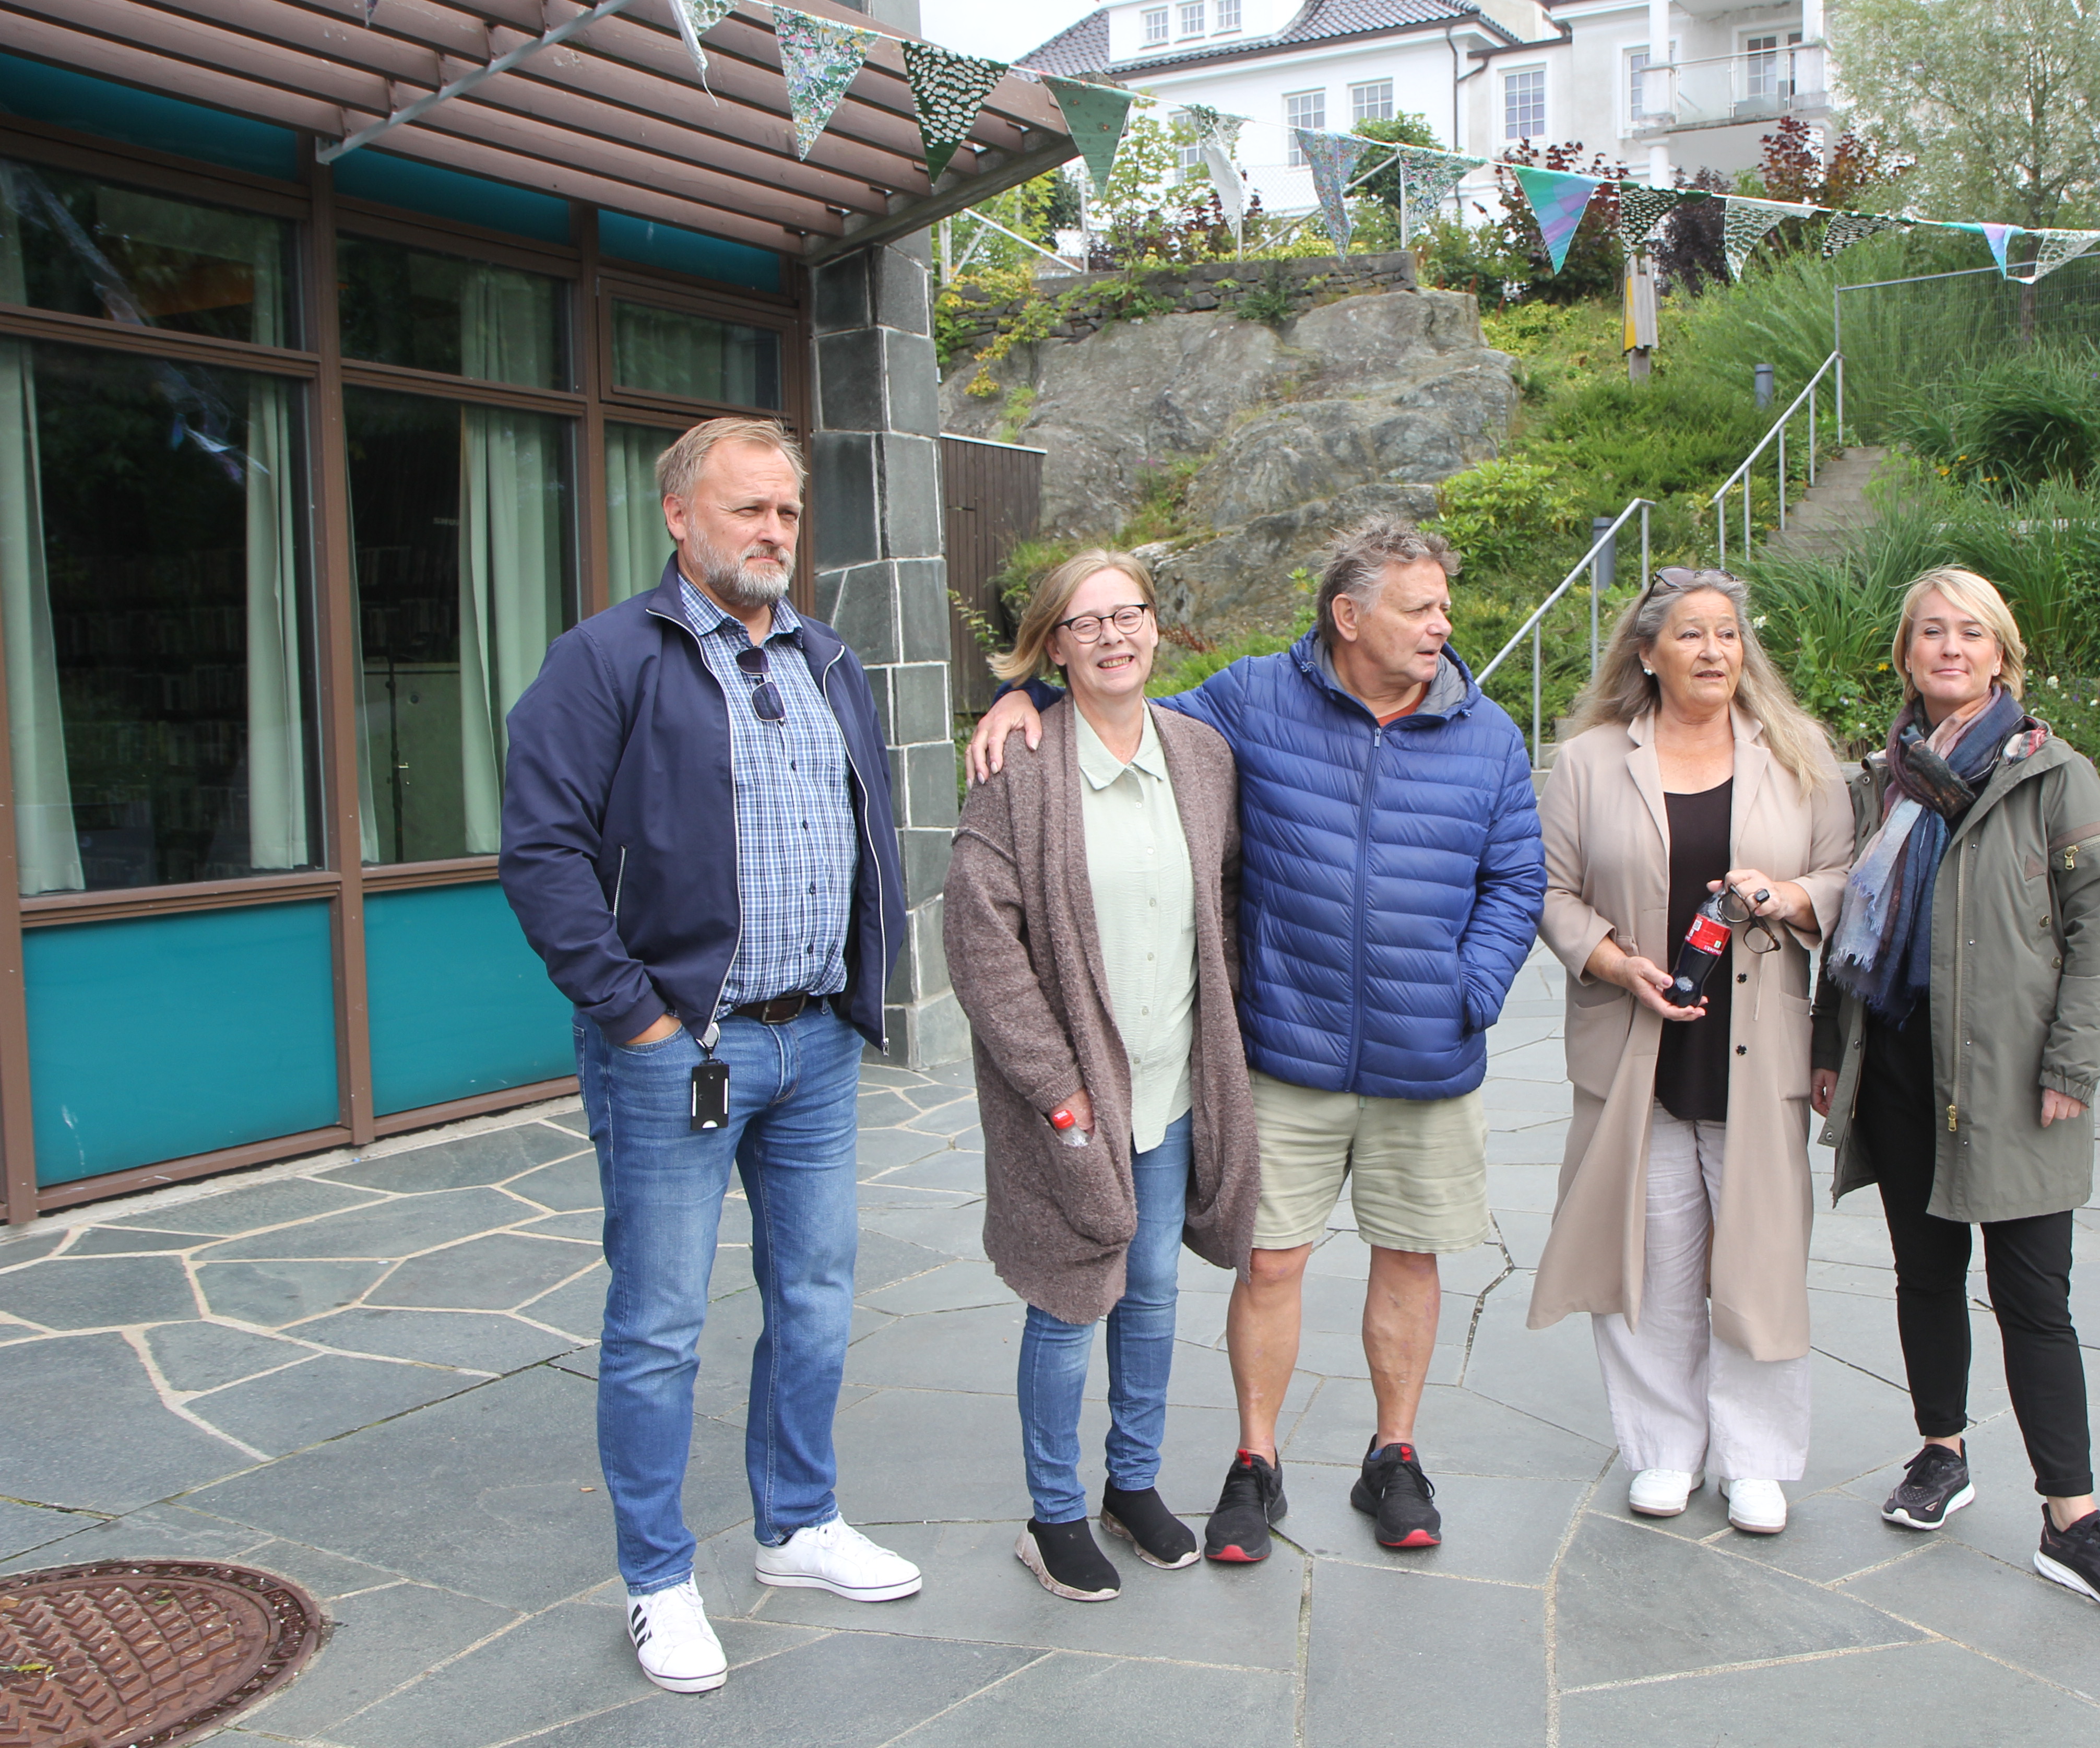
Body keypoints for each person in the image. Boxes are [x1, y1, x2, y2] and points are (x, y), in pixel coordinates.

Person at [967, 520, 1543, 1561]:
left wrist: (1473, 989)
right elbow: (1121, 708)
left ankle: (1396, 1458)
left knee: (1410, 1258)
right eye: (1420, 607)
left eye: (1442, 606)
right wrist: (1029, 697)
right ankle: (1254, 1464)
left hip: (1430, 1057)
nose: (1442, 625)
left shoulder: (1490, 734)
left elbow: (1517, 880)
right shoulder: (1247, 701)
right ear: (1349, 615)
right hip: (1289, 1048)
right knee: (1269, 1263)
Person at [500, 416, 919, 1694]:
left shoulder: (829, 657)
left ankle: (795, 1526)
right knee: (660, 1327)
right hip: (680, 1052)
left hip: (814, 1049)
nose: (775, 534)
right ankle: (659, 1581)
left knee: (815, 1301)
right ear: (679, 516)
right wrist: (638, 1018)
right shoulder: (606, 659)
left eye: (787, 513)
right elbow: (541, 852)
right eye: (749, 511)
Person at [1807, 565, 2100, 1616]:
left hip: (2013, 1082)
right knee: (1925, 1275)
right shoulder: (1878, 782)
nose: (1950, 648)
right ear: (1906, 657)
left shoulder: (2055, 775)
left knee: (2034, 1301)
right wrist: (1833, 1045)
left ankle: (2074, 1520)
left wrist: (2072, 1066)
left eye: (1971, 633)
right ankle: (1941, 1453)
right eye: (1930, 633)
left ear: (2002, 654)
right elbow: (1847, 934)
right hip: (1903, 1068)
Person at [942, 550, 1261, 1603]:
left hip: (1174, 1086)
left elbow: (1221, 900)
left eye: (1130, 614)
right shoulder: (1019, 770)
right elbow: (981, 946)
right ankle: (1053, 1513)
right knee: (1070, 1298)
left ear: (1157, 628)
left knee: (1156, 1292)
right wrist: (1056, 1090)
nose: (1115, 636)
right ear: (1053, 649)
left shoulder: (1203, 754)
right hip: (1074, 1101)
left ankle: (1133, 1485)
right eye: (1087, 624)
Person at [1526, 568, 1855, 1536]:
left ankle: (1756, 1460)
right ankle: (1664, 1450)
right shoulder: (1589, 762)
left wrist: (1790, 899)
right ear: (1648, 654)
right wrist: (1613, 961)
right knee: (1652, 1253)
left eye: (1727, 634)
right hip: (1637, 1044)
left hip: (1760, 1048)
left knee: (1757, 1254)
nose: (1715, 651)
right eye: (1691, 636)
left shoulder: (1799, 756)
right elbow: (1551, 892)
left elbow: (1843, 878)